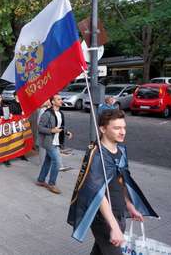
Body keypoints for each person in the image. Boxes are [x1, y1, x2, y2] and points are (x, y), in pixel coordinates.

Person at [67, 109, 158, 254]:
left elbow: (120, 181)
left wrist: (129, 206)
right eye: (117, 128)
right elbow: (97, 193)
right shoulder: (97, 156)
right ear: (102, 129)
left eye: (124, 127)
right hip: (104, 218)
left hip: (119, 212)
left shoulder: (120, 151)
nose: (122, 132)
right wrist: (114, 227)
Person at [35, 94, 73, 194]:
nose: (61, 101)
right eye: (58, 99)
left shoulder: (60, 113)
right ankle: (52, 184)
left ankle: (40, 180)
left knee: (48, 161)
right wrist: (51, 130)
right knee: (57, 161)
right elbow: (40, 128)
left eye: (61, 99)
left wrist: (66, 132)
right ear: (53, 102)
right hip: (49, 142)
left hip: (57, 142)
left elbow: (60, 126)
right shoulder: (47, 114)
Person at [9, 92, 29, 162]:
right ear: (14, 96)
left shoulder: (22, 103)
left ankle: (22, 154)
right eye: (17, 95)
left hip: (22, 123)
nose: (18, 96)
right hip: (15, 124)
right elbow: (11, 113)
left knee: (22, 139)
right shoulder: (12, 103)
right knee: (13, 139)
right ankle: (11, 155)